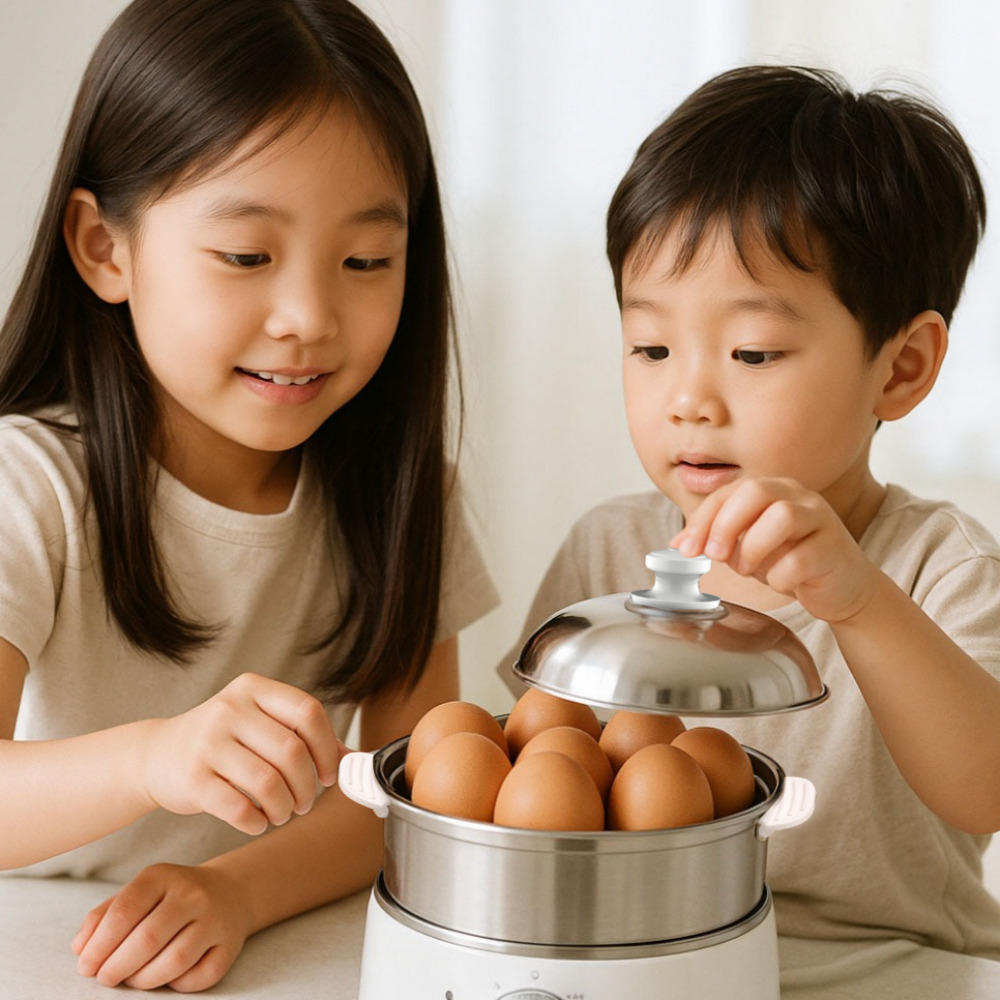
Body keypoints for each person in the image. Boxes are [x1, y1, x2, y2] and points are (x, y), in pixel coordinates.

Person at [0, 0, 497, 991]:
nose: (309, 316)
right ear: (106, 249)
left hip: (262, 946)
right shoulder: (29, 482)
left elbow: (408, 794)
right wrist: (154, 757)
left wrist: (234, 889)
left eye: (366, 261)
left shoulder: (402, 494)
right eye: (246, 256)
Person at [501, 66, 1000, 960]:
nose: (688, 398)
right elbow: (540, 768)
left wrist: (858, 600)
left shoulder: (935, 564)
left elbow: (987, 790)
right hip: (649, 958)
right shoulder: (610, 547)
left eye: (753, 351)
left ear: (902, 368)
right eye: (650, 345)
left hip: (888, 971)